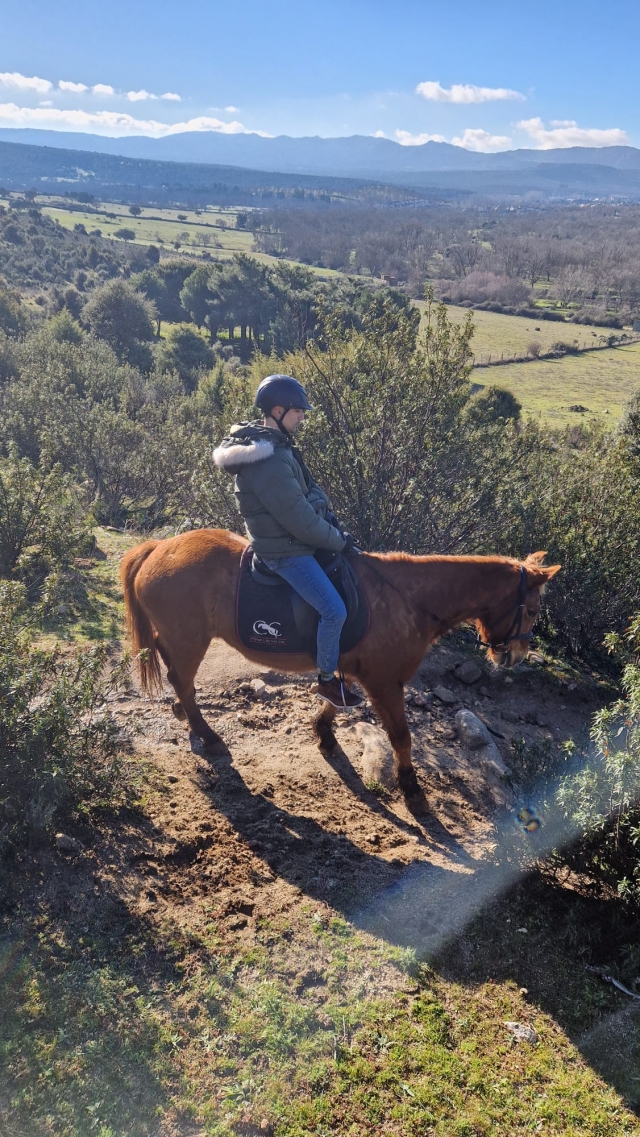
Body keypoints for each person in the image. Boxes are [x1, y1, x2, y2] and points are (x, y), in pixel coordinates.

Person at [214, 373, 364, 708]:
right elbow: (301, 522)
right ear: (278, 411)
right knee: (334, 610)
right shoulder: (268, 462)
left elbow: (312, 492)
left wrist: (317, 506)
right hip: (285, 552)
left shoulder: (280, 448)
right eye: (298, 411)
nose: (302, 417)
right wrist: (338, 540)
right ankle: (327, 680)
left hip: (294, 540)